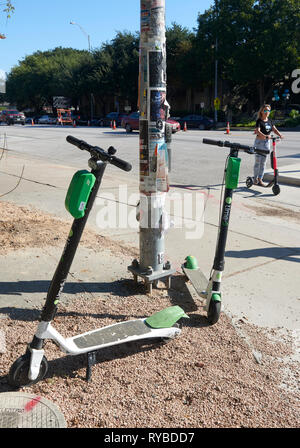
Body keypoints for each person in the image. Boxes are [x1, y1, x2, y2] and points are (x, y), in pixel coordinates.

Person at [253, 104, 283, 186]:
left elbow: (274, 129)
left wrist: (280, 135)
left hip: (267, 143)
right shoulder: (259, 121)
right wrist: (265, 136)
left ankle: (260, 178)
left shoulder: (269, 120)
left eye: (268, 110)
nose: (267, 112)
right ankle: (255, 178)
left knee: (263, 162)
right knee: (257, 162)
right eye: (265, 110)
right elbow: (258, 131)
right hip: (259, 142)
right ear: (262, 111)